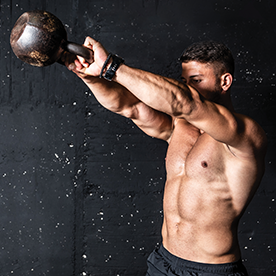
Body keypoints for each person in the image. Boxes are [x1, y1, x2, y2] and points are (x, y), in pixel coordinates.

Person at [64, 38, 267, 276]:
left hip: (212, 270)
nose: (189, 88)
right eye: (184, 82)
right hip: (164, 263)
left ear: (225, 81)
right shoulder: (179, 127)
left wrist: (110, 67)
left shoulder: (244, 136)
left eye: (197, 81)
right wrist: (89, 77)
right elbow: (129, 107)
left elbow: (187, 102)